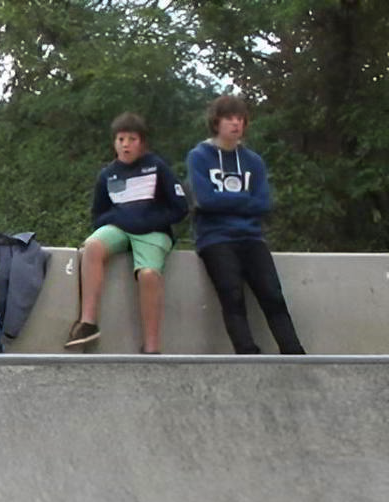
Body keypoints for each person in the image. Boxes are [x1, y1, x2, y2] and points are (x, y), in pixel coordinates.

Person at [187, 95, 305, 355]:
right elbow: (204, 200)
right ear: (216, 122)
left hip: (251, 237)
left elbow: (263, 203)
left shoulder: (253, 161)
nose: (235, 124)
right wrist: (244, 200)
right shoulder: (199, 156)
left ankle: (294, 352)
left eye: (240, 119)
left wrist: (226, 201)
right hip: (215, 238)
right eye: (229, 118)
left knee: (272, 294)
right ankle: (247, 353)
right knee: (232, 295)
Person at [66, 113, 188, 353]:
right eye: (121, 139)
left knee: (149, 275)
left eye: (132, 139)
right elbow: (98, 216)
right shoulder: (107, 175)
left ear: (142, 143)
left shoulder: (157, 167)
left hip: (153, 232)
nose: (125, 144)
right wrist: (120, 219)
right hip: (120, 230)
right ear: (114, 143)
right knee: (92, 246)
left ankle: (151, 346)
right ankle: (88, 322)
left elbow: (180, 208)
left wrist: (148, 221)